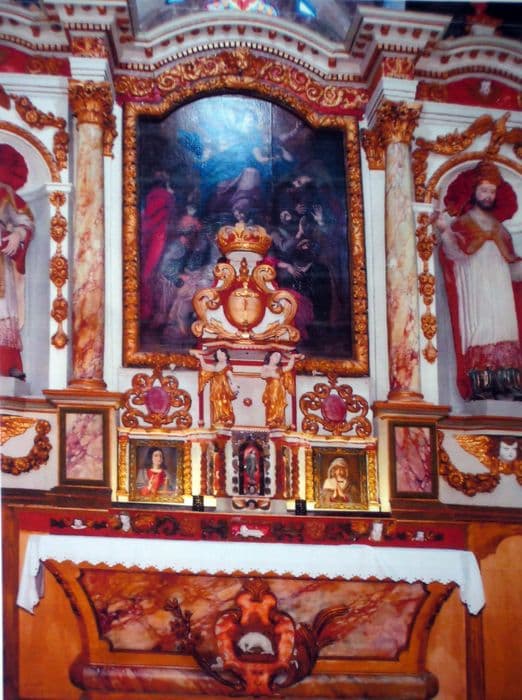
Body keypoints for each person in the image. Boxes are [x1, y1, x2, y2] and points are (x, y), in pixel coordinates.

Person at [434, 160, 522, 399]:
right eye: (484, 190)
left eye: (492, 191)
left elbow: (513, 269)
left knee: (505, 328)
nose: (488, 196)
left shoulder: (501, 229)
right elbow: (453, 254)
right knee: (482, 329)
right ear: (474, 191)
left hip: (501, 290)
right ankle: (482, 382)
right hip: (475, 286)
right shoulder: (463, 224)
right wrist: (445, 231)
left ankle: (507, 382)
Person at [0, 144, 34, 379]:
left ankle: (5, 364)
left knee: (2, 309)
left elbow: (25, 221)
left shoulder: (5, 194)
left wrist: (17, 235)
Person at [191, 347, 239, 427]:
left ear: (226, 356)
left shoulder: (227, 366)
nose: (219, 356)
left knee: (224, 402)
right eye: (218, 354)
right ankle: (218, 419)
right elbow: (206, 367)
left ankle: (227, 418)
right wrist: (201, 358)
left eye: (221, 354)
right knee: (216, 403)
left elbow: (231, 376)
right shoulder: (215, 366)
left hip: (223, 388)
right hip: (215, 388)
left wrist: (234, 384)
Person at [261, 351, 301, 429]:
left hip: (280, 389)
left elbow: (289, 367)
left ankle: (278, 420)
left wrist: (293, 357)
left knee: (279, 404)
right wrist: (271, 374)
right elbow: (262, 375)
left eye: (279, 357)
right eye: (275, 355)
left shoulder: (279, 369)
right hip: (271, 389)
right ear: (270, 356)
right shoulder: (266, 367)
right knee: (272, 403)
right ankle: (271, 420)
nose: (277, 358)